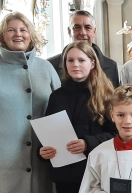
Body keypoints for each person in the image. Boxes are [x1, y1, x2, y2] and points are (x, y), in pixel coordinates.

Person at [39, 41, 117, 193]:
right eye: (70, 60)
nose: (75, 64)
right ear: (65, 64)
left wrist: (88, 143)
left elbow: (117, 134)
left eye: (81, 60)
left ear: (92, 63)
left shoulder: (106, 96)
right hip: (64, 176)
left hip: (95, 173)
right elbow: (48, 134)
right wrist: (42, 151)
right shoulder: (56, 96)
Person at [0, 11, 60, 193]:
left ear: (31, 35)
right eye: (11, 30)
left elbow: (60, 110)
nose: (18, 34)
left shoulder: (46, 67)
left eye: (23, 30)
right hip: (6, 162)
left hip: (45, 158)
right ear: (2, 36)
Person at [48, 10, 119, 87]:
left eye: (87, 28)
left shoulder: (111, 65)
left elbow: (114, 98)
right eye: (77, 27)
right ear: (69, 31)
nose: (83, 32)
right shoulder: (51, 65)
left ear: (94, 31)